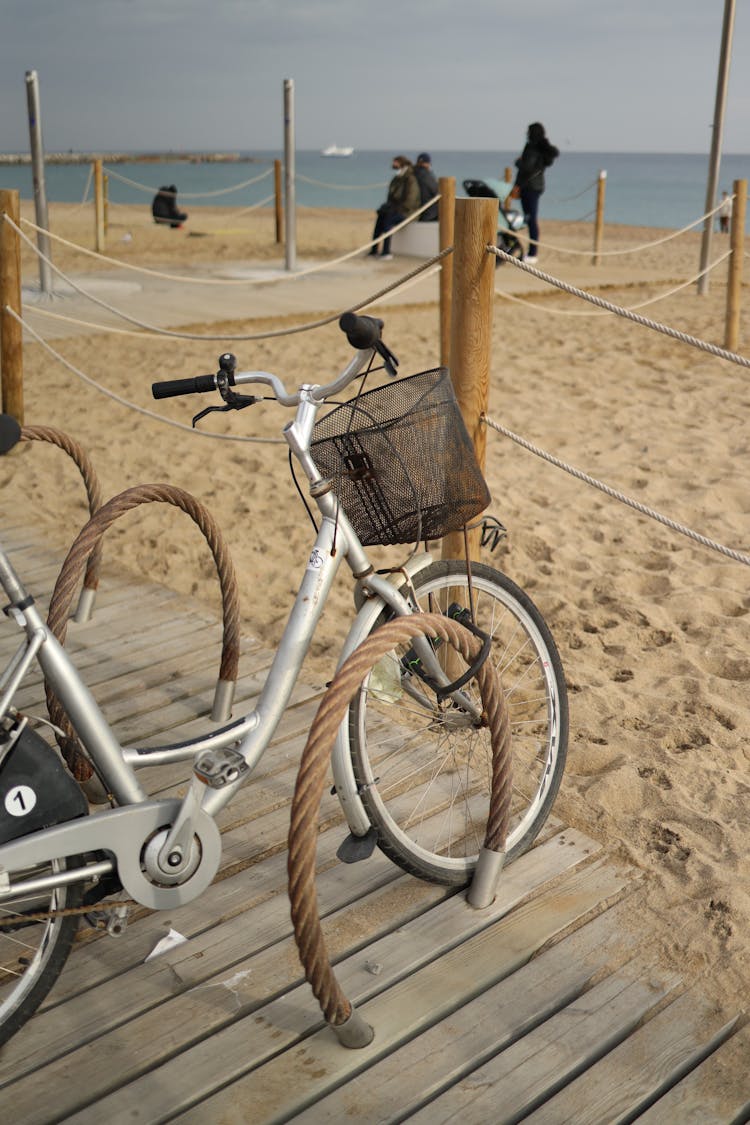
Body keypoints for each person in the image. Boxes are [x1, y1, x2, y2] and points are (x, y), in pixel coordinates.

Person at [510, 122, 559, 263]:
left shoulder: (533, 148)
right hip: (535, 186)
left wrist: (518, 162)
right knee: (529, 219)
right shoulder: (541, 149)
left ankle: (533, 253)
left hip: (530, 187)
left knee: (530, 219)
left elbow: (527, 167)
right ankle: (530, 251)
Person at [369, 156, 420, 259]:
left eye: (395, 162)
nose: (393, 165)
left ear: (401, 163)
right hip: (395, 209)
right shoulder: (397, 177)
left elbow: (411, 199)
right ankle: (374, 250)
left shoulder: (410, 179)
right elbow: (391, 196)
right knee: (380, 219)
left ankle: (386, 251)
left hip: (407, 212)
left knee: (388, 222)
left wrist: (397, 209)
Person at [413, 153, 439, 221]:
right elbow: (436, 191)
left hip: (416, 211)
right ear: (428, 163)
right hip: (429, 213)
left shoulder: (413, 174)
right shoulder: (427, 176)